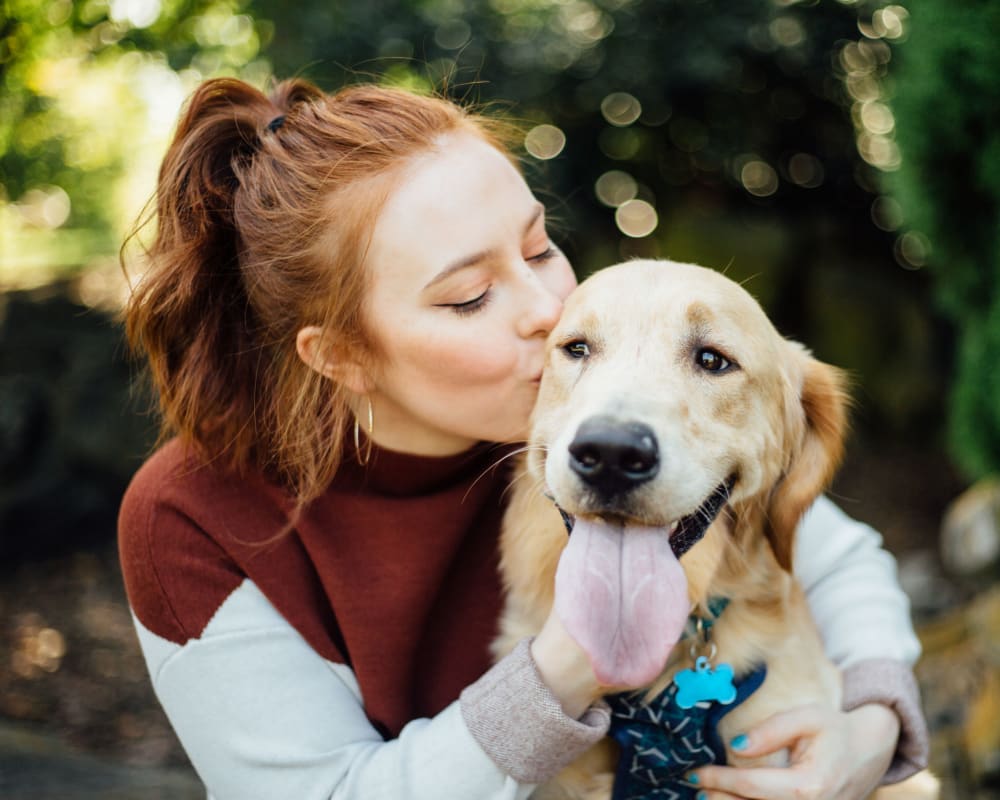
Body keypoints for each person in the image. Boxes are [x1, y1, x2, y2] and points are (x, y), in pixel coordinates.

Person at [118, 76, 928, 800]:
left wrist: (871, 731)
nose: (551, 312)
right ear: (343, 355)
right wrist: (574, 661)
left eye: (540, 246)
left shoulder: (578, 406)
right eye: (470, 297)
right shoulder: (187, 521)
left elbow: (835, 555)